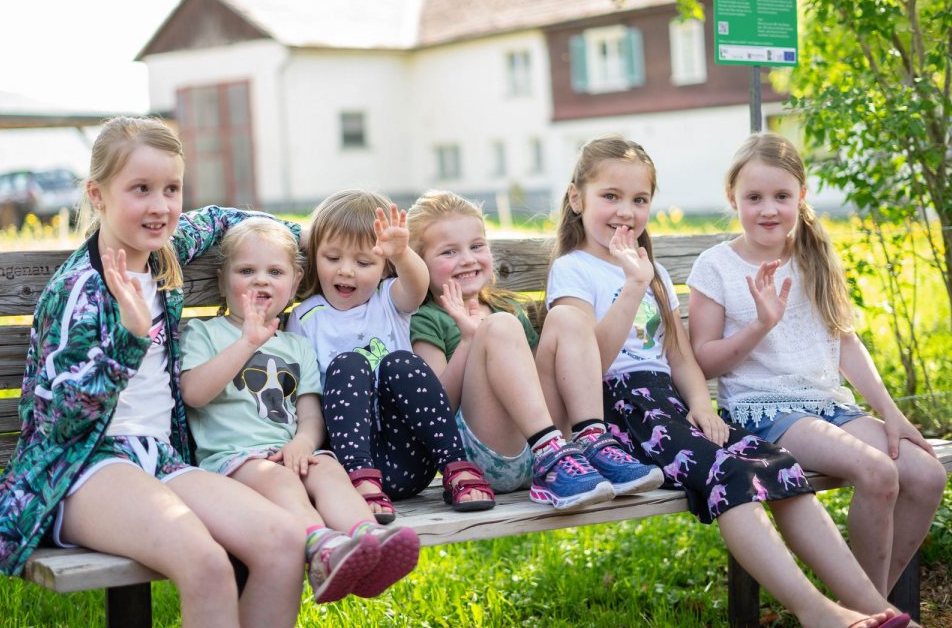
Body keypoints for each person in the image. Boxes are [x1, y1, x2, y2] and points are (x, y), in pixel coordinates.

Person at [544, 134, 914, 628]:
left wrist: (701, 402)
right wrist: (633, 288)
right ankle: (818, 615)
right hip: (617, 410)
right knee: (731, 475)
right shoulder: (574, 270)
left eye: (639, 200)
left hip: (669, 405)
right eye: (610, 197)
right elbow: (592, 360)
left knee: (779, 469)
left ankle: (875, 610)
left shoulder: (647, 270)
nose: (625, 212)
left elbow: (679, 353)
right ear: (576, 199)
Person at [0, 116, 307, 628]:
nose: (160, 206)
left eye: (171, 189)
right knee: (206, 565)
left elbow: (222, 218)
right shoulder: (81, 292)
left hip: (158, 459)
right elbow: (62, 421)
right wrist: (129, 343)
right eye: (141, 189)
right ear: (97, 194)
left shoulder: (166, 259)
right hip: (82, 469)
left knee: (283, 542)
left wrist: (303, 234)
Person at [687, 132, 947, 595]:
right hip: (765, 412)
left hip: (831, 406)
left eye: (782, 196)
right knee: (877, 471)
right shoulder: (717, 266)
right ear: (733, 198)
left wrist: (891, 413)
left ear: (801, 196)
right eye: (754, 197)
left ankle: (868, 605)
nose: (769, 209)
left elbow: (846, 343)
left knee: (927, 475)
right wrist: (761, 325)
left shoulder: (815, 256)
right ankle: (870, 613)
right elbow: (703, 361)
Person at [181, 218, 420, 603]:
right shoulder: (205, 334)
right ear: (223, 280)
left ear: (293, 284)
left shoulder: (296, 345)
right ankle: (322, 547)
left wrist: (304, 443)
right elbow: (194, 392)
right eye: (246, 271)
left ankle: (367, 538)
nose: (261, 280)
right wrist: (246, 344)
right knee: (281, 481)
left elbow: (310, 411)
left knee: (330, 471)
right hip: (232, 461)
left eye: (274, 272)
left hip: (289, 454)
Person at [406, 189, 661, 509]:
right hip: (490, 456)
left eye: (476, 246)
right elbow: (435, 409)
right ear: (419, 264)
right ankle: (550, 453)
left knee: (567, 316)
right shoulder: (429, 319)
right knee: (498, 327)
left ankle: (591, 440)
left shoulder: (507, 306)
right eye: (448, 252)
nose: (468, 259)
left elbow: (550, 377)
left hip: (555, 452)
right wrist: (469, 341)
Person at [286, 189, 495, 523]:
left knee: (400, 362)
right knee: (348, 364)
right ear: (315, 258)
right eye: (332, 258)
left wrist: (402, 254)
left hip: (411, 456)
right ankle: (364, 480)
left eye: (364, 262)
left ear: (385, 269)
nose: (346, 271)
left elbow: (417, 284)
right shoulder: (306, 318)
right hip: (348, 464)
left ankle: (456, 467)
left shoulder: (389, 300)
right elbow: (304, 391)